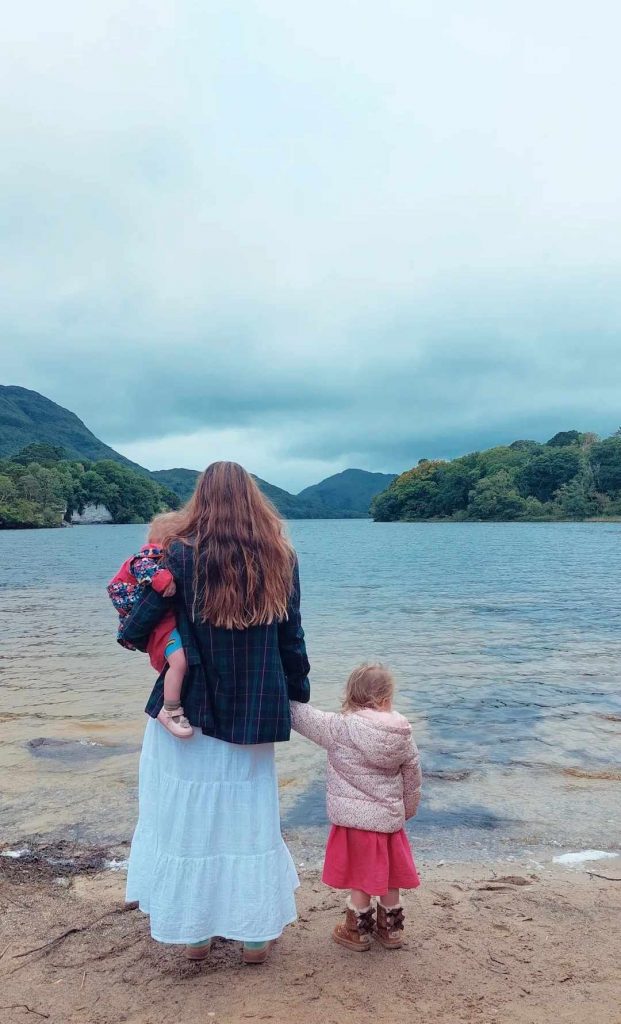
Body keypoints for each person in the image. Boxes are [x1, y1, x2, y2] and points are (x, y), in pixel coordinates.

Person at [120, 462, 310, 964]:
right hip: (255, 710)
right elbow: (291, 639)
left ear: (199, 500)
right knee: (249, 820)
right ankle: (252, 936)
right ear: (255, 500)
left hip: (191, 711)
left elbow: (135, 629)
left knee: (188, 819)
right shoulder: (281, 556)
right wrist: (297, 694)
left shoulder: (178, 555)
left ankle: (196, 935)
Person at [290, 663, 421, 952]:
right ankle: (391, 930)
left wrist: (275, 691)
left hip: (355, 823)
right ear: (387, 699)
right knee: (390, 876)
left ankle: (357, 931)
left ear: (350, 696)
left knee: (362, 877)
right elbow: (412, 779)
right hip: (388, 821)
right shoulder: (403, 734)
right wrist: (407, 810)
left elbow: (300, 717)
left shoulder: (339, 728)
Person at [107, 512, 192, 738]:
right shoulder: (146, 561)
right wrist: (165, 581)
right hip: (160, 630)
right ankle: (171, 708)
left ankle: (172, 701)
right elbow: (148, 572)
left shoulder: (152, 559)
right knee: (179, 663)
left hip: (162, 628)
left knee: (176, 665)